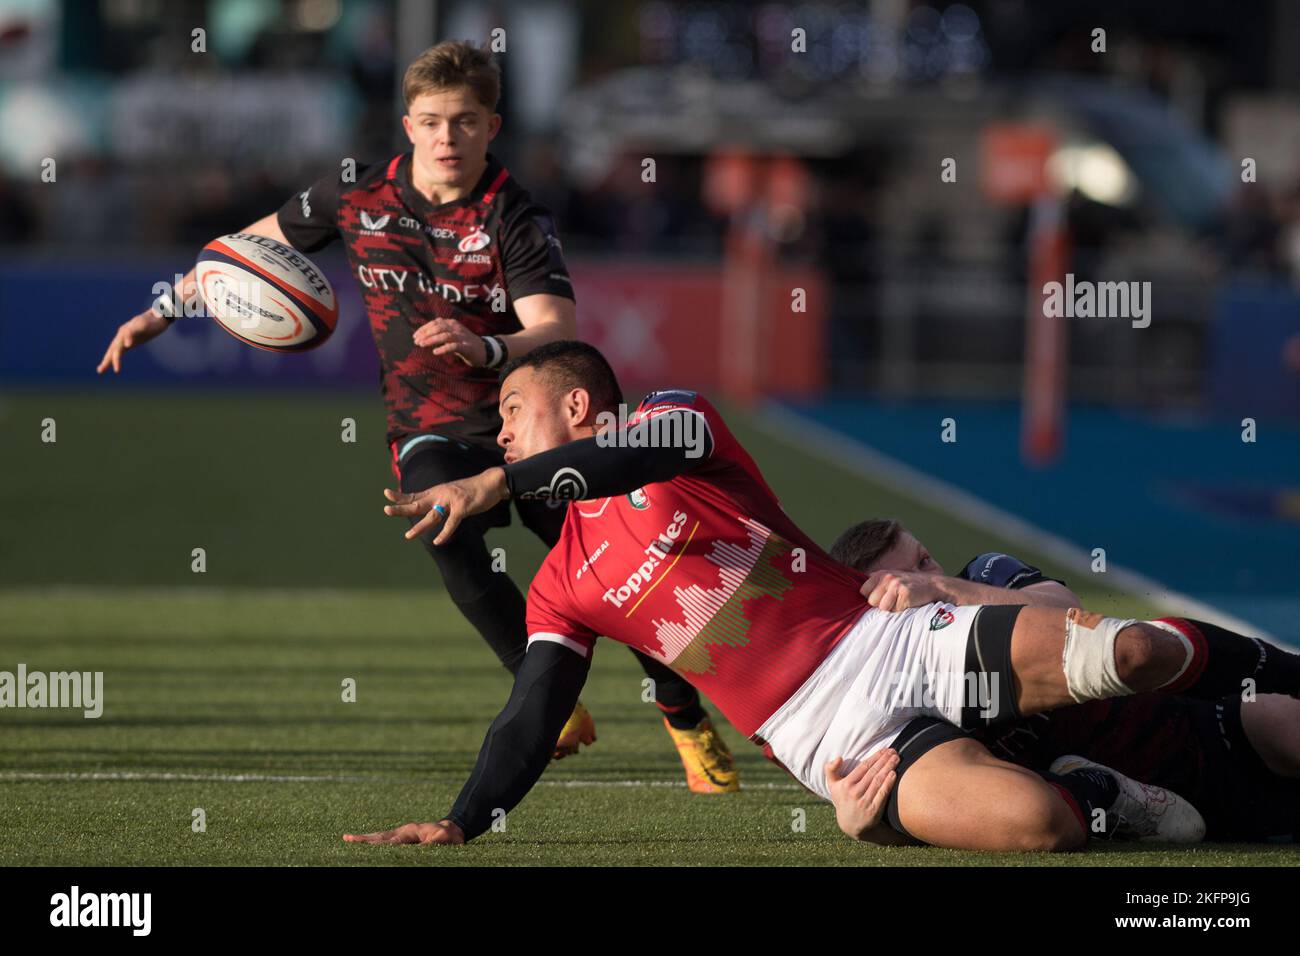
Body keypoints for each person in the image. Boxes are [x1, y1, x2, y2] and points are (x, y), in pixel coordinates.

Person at [341, 340, 1300, 851]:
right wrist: (464, 817)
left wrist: (503, 484)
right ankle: (1098, 798)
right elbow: (530, 711)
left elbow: (645, 448)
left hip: (884, 641)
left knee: (1133, 656)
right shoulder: (559, 581)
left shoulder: (678, 426)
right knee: (1036, 827)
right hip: (826, 739)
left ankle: (1281, 673)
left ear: (581, 405)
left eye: (511, 411)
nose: (498, 434)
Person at [95, 40, 735, 792]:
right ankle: (553, 705)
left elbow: (556, 328)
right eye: (432, 121)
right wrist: (162, 310)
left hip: (536, 425)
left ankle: (680, 708)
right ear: (407, 123)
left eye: (465, 122)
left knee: (615, 573)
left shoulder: (515, 213)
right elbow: (243, 253)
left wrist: (485, 348)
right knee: (442, 529)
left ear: (491, 126)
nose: (447, 138)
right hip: (426, 423)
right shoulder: (354, 194)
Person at [826, 519, 1300, 844]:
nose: (922, 579)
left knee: (1285, 724)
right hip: (1136, 811)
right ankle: (1104, 790)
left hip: (1193, 727)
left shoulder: (982, 574)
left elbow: (1063, 608)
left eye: (924, 561)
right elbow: (954, 803)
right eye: (900, 581)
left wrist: (947, 590)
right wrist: (865, 824)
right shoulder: (905, 687)